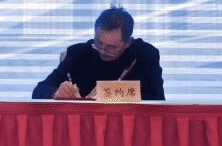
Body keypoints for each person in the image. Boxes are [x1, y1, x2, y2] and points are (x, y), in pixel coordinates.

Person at [32, 6, 164, 101]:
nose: (103, 50)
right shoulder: (78, 53)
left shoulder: (145, 55)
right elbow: (39, 90)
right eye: (99, 43)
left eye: (111, 47)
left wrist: (110, 96)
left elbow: (157, 100)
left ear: (128, 42)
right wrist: (55, 93)